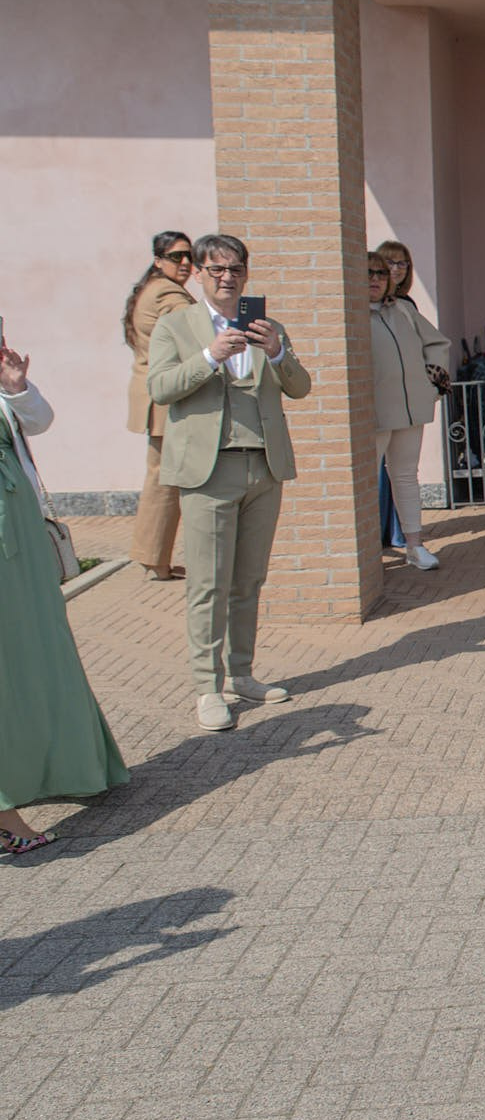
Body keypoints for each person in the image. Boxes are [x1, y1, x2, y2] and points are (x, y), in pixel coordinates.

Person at [147, 232, 312, 733]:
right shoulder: (176, 326)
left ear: (246, 273)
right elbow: (161, 388)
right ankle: (207, 687)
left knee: (248, 580)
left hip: (263, 466)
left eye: (235, 268)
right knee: (207, 584)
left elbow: (300, 388)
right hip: (208, 468)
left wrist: (279, 353)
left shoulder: (267, 324)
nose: (226, 277)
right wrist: (210, 356)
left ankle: (242, 673)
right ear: (197, 273)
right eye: (215, 269)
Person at [0, 339, 130, 856]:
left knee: (39, 655)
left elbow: (38, 421)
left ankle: (68, 766)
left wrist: (16, 388)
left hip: (21, 538)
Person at [368, 251, 452, 570]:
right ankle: (369, 552)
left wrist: (431, 384)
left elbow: (436, 343)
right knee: (366, 479)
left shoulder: (403, 309)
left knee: (405, 475)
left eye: (379, 273)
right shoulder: (352, 312)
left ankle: (414, 546)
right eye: (368, 273)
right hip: (375, 411)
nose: (375, 278)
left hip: (410, 408)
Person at [121, 230, 197, 580]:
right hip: (164, 400)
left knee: (160, 478)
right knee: (165, 481)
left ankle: (154, 558)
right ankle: (156, 561)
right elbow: (199, 330)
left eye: (189, 257)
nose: (184, 263)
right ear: (158, 260)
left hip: (152, 397)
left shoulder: (150, 289)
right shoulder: (168, 292)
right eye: (176, 257)